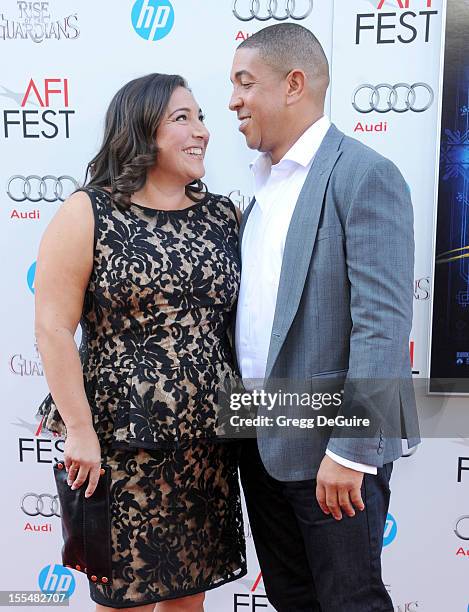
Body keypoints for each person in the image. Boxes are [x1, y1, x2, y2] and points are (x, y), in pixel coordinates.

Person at [35, 73, 246, 612]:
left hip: (205, 442)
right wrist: (79, 431)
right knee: (120, 602)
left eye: (202, 117)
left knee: (186, 600)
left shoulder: (224, 216)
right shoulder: (90, 211)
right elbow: (53, 328)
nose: (202, 130)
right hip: (117, 442)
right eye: (183, 118)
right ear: (142, 129)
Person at [229, 23, 420, 612]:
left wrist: (352, 451)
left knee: (349, 602)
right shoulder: (260, 188)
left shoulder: (364, 174)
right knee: (294, 601)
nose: (233, 100)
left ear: (294, 84)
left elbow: (383, 326)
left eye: (244, 83)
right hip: (261, 442)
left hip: (333, 451)